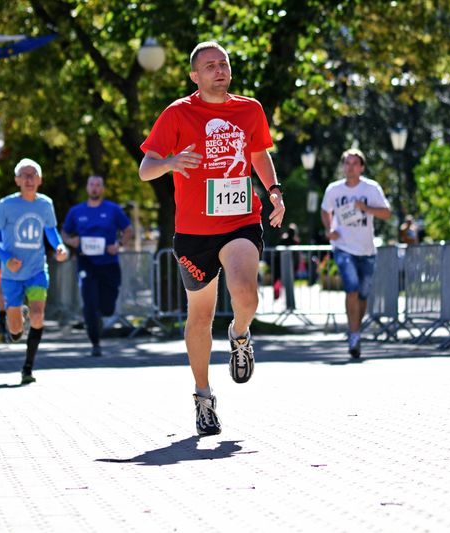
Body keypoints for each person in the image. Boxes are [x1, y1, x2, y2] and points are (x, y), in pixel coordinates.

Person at [139, 41, 285, 436]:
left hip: (239, 220)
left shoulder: (250, 110)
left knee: (246, 295)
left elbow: (258, 154)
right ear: (194, 76)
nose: (219, 70)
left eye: (223, 64)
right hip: (194, 233)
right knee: (200, 317)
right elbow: (146, 169)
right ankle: (203, 397)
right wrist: (171, 162)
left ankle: (239, 334)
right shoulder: (177, 113)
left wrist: (273, 191)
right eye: (210, 66)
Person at [0, 158, 69, 385]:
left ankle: (28, 367)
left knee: (38, 315)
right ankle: (16, 317)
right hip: (11, 274)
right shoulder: (6, 205)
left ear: (40, 180)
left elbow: (51, 232)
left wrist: (60, 247)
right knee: (14, 332)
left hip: (36, 270)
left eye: (34, 175)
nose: (29, 179)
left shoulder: (45, 204)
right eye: (25, 174)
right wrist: (6, 259)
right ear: (17, 180)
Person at [320, 148, 391, 358]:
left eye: (354, 164)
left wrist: (365, 208)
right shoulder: (334, 189)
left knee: (362, 294)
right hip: (343, 247)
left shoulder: (371, 188)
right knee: (351, 289)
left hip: (367, 249)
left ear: (362, 167)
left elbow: (386, 213)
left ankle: (355, 331)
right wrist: (329, 229)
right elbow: (325, 210)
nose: (350, 167)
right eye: (347, 163)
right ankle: (354, 335)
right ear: (343, 166)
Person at [61, 175, 133, 357]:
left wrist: (118, 245)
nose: (94, 188)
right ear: (87, 188)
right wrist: (71, 241)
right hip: (86, 263)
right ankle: (95, 342)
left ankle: (100, 316)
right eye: (91, 184)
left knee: (107, 307)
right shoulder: (76, 211)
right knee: (89, 303)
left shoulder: (113, 209)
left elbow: (128, 229)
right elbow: (65, 232)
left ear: (102, 188)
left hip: (108, 263)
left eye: (98, 185)